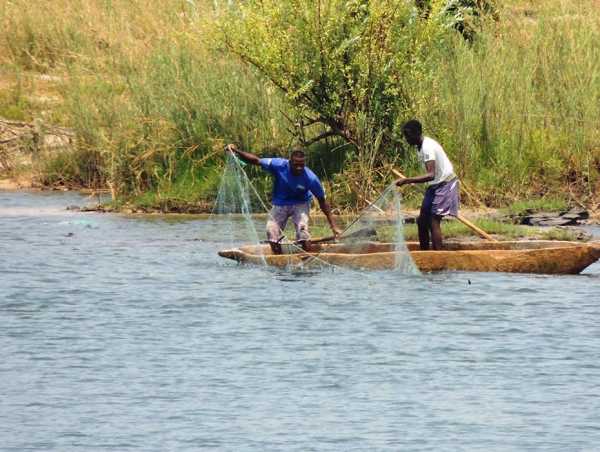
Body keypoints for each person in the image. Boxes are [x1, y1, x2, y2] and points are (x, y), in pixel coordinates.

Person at [225, 144, 341, 254]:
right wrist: (236, 151)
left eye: (302, 164)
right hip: (280, 203)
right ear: (290, 162)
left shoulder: (310, 178)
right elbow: (256, 161)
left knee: (302, 231)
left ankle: (307, 257)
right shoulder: (279, 165)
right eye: (296, 164)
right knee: (271, 231)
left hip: (300, 204)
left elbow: (322, 202)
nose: (299, 168)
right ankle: (278, 260)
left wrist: (334, 226)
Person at [395, 120, 459, 250]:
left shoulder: (427, 147)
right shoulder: (420, 147)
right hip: (435, 186)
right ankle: (424, 253)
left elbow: (431, 174)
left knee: (433, 220)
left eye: (408, 135)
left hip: (445, 184)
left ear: (416, 134)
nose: (406, 139)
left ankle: (437, 255)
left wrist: (407, 180)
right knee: (422, 221)